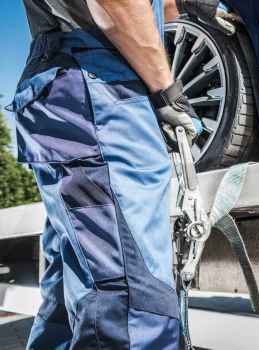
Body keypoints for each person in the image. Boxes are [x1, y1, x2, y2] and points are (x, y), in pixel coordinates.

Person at [11, 0, 209, 348]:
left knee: (73, 293)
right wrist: (166, 88)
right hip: (100, 86)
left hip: (63, 82)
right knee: (131, 300)